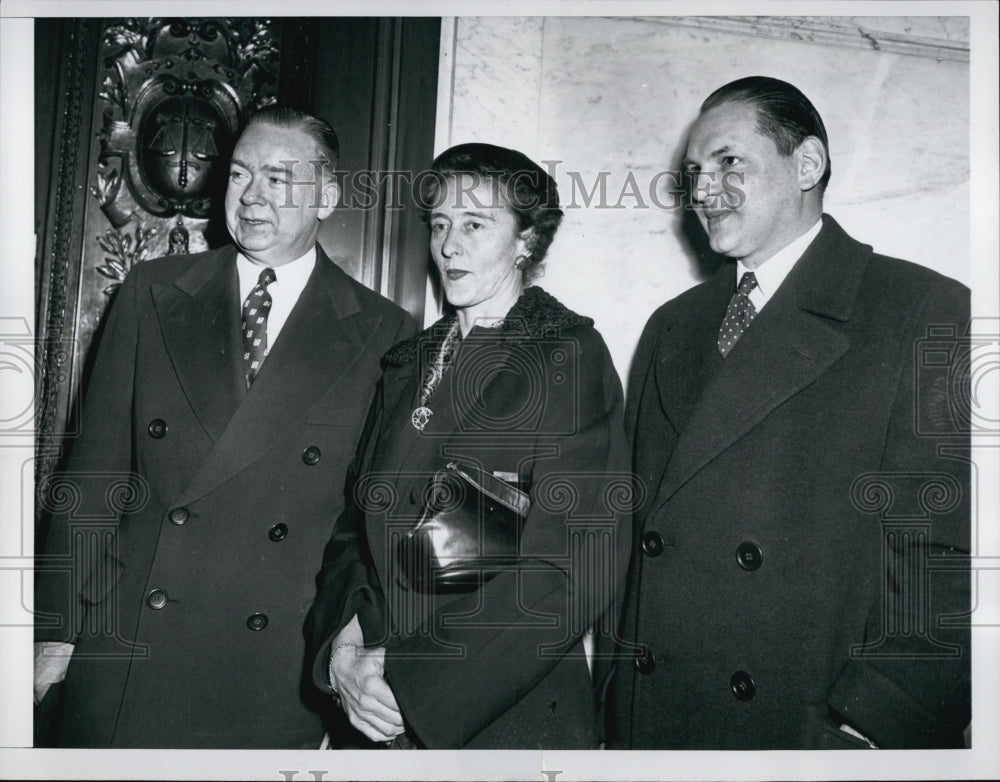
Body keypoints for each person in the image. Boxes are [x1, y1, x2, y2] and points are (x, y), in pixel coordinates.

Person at [33, 106, 414, 748]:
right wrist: (52, 628)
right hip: (129, 643)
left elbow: (363, 525)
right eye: (239, 175)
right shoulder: (152, 292)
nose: (253, 196)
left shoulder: (384, 331)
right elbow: (94, 476)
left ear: (327, 195)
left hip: (271, 669)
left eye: (278, 178)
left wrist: (342, 655)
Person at [608, 76, 970, 749]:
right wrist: (611, 705)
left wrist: (877, 724)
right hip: (652, 727)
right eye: (693, 173)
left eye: (728, 163)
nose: (704, 192)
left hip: (806, 731)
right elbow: (627, 536)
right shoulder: (671, 326)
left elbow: (945, 555)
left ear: (807, 165)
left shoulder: (919, 309)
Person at [305, 143, 631, 748]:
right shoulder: (408, 363)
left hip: (499, 720)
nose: (449, 244)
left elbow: (574, 563)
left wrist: (414, 682)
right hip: (374, 710)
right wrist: (344, 649)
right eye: (440, 224)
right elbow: (352, 527)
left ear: (526, 241)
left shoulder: (568, 355)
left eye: (475, 224)